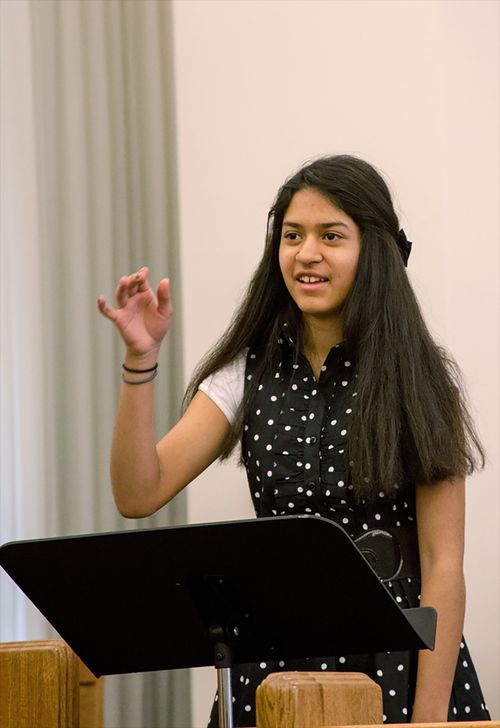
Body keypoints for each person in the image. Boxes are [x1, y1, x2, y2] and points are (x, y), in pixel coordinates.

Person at [98, 155, 491, 724]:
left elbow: (443, 565)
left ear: (373, 250)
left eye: (332, 236)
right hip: (277, 669)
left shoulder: (421, 380)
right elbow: (139, 493)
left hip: (401, 664)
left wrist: (427, 722)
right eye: (292, 236)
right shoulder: (244, 373)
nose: (307, 253)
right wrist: (141, 361)